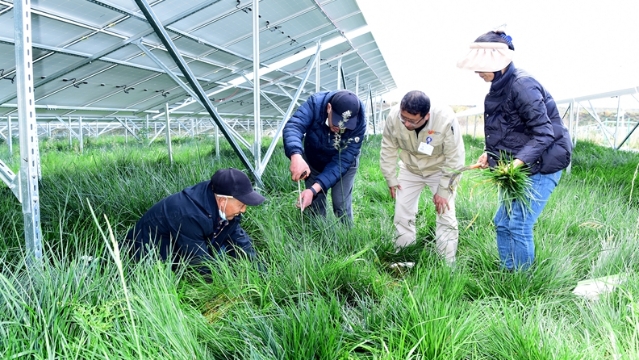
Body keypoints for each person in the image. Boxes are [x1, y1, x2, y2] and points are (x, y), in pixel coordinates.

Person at [457, 30, 572, 271]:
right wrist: (492, 155)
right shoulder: (500, 85)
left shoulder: (522, 85)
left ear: (497, 62)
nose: (477, 72)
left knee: (519, 223)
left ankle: (522, 281)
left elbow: (544, 133)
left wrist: (515, 163)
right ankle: (507, 272)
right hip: (521, 165)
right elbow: (510, 129)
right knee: (502, 222)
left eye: (481, 67)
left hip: (543, 165)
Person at [123, 168, 266, 273]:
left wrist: (261, 271)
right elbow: (199, 261)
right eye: (241, 204)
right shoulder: (188, 214)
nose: (244, 210)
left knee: (227, 255)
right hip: (145, 256)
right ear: (223, 200)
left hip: (181, 244)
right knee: (213, 266)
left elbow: (239, 239)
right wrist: (228, 285)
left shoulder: (220, 200)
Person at [380, 90, 465, 265]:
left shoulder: (445, 118)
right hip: (410, 168)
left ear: (426, 116)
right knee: (402, 211)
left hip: (440, 170)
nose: (406, 124)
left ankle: (446, 263)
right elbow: (388, 147)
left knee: (446, 213)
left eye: (412, 120)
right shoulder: (394, 116)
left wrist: (443, 190)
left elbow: (456, 158)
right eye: (404, 118)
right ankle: (403, 253)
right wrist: (391, 178)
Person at [283, 89, 366, 223]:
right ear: (329, 108)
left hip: (342, 163)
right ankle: (319, 235)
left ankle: (347, 239)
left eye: (345, 126)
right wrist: (296, 155)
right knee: (315, 205)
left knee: (341, 203)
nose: (340, 128)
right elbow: (294, 126)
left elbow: (343, 161)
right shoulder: (315, 104)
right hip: (314, 159)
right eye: (337, 122)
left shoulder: (359, 120)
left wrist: (314, 189)